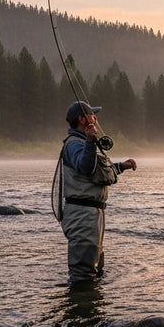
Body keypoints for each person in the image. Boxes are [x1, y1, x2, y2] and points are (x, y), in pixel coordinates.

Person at [56, 100, 136, 283]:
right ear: (82, 119)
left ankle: (92, 309)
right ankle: (80, 309)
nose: (96, 118)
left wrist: (121, 166)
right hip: (82, 214)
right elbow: (84, 167)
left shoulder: (84, 143)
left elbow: (95, 173)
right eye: (92, 114)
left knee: (95, 269)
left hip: (92, 214)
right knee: (83, 274)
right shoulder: (75, 145)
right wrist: (91, 143)